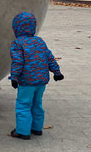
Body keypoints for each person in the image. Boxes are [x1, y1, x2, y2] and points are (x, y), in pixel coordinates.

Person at [9, 12, 64, 140]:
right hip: (41, 82)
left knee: (23, 104)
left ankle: (23, 131)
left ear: (16, 28)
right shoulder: (40, 41)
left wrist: (15, 77)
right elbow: (49, 57)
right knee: (37, 104)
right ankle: (37, 128)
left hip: (27, 81)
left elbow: (18, 62)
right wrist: (57, 72)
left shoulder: (17, 43)